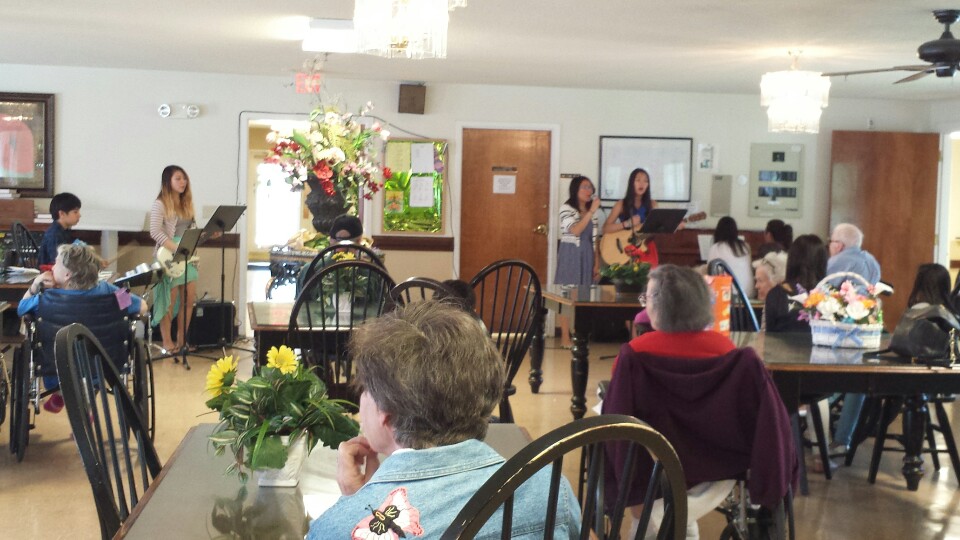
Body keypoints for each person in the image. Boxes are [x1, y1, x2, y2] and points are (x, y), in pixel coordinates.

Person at [307, 301, 580, 538]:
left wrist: (356, 505)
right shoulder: (552, 491)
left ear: (385, 414)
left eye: (364, 388)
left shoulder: (335, 529)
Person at [602, 265, 795, 539]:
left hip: (655, 468)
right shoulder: (735, 356)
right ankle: (682, 525)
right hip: (720, 469)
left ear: (657, 306)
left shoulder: (634, 356)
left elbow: (617, 422)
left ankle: (656, 522)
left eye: (646, 298)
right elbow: (767, 422)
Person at [18, 243, 148, 413]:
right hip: (102, 368)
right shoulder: (109, 291)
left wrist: (35, 285)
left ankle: (61, 393)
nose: (52, 267)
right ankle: (86, 398)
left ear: (67, 274)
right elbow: (142, 307)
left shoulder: (47, 298)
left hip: (56, 368)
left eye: (56, 263)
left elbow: (21, 309)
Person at [827, 223, 881, 452]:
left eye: (831, 242)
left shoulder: (836, 263)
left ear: (838, 245)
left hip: (838, 332)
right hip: (867, 333)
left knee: (827, 379)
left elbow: (823, 296)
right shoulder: (872, 261)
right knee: (857, 383)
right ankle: (843, 439)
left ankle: (815, 413)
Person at [149, 165, 198, 353]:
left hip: (187, 255)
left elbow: (191, 231)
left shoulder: (187, 204)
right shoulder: (160, 204)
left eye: (184, 178)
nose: (183, 182)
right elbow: (155, 232)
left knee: (189, 299)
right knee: (168, 300)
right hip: (168, 254)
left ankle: (182, 340)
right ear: (167, 181)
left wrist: (208, 234)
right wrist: (176, 247)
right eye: (178, 178)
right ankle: (167, 341)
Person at [555, 175, 601, 347]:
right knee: (566, 295)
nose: (589, 190)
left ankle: (579, 334)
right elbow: (575, 230)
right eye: (585, 187)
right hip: (571, 254)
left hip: (588, 254)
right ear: (575, 189)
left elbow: (594, 240)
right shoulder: (566, 208)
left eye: (590, 187)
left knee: (583, 296)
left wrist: (597, 262)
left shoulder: (592, 213)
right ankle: (565, 337)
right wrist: (590, 212)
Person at [764, 234, 827, 333]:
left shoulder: (776, 294)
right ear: (822, 262)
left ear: (791, 260)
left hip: (781, 343)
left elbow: (769, 334)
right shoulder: (833, 296)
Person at [602, 168, 660, 265]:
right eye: (638, 180)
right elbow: (605, 229)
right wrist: (627, 223)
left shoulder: (653, 204)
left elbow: (657, 227)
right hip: (626, 250)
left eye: (645, 181)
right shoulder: (621, 204)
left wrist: (673, 225)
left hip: (646, 247)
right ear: (631, 183)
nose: (642, 184)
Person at [707, 216, 754, 297]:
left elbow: (710, 272)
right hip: (748, 294)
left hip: (727, 295)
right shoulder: (745, 247)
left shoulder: (716, 247)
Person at [39, 192, 82, 268]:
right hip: (51, 272)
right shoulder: (54, 234)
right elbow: (58, 261)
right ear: (62, 214)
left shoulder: (65, 230)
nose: (79, 215)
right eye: (75, 212)